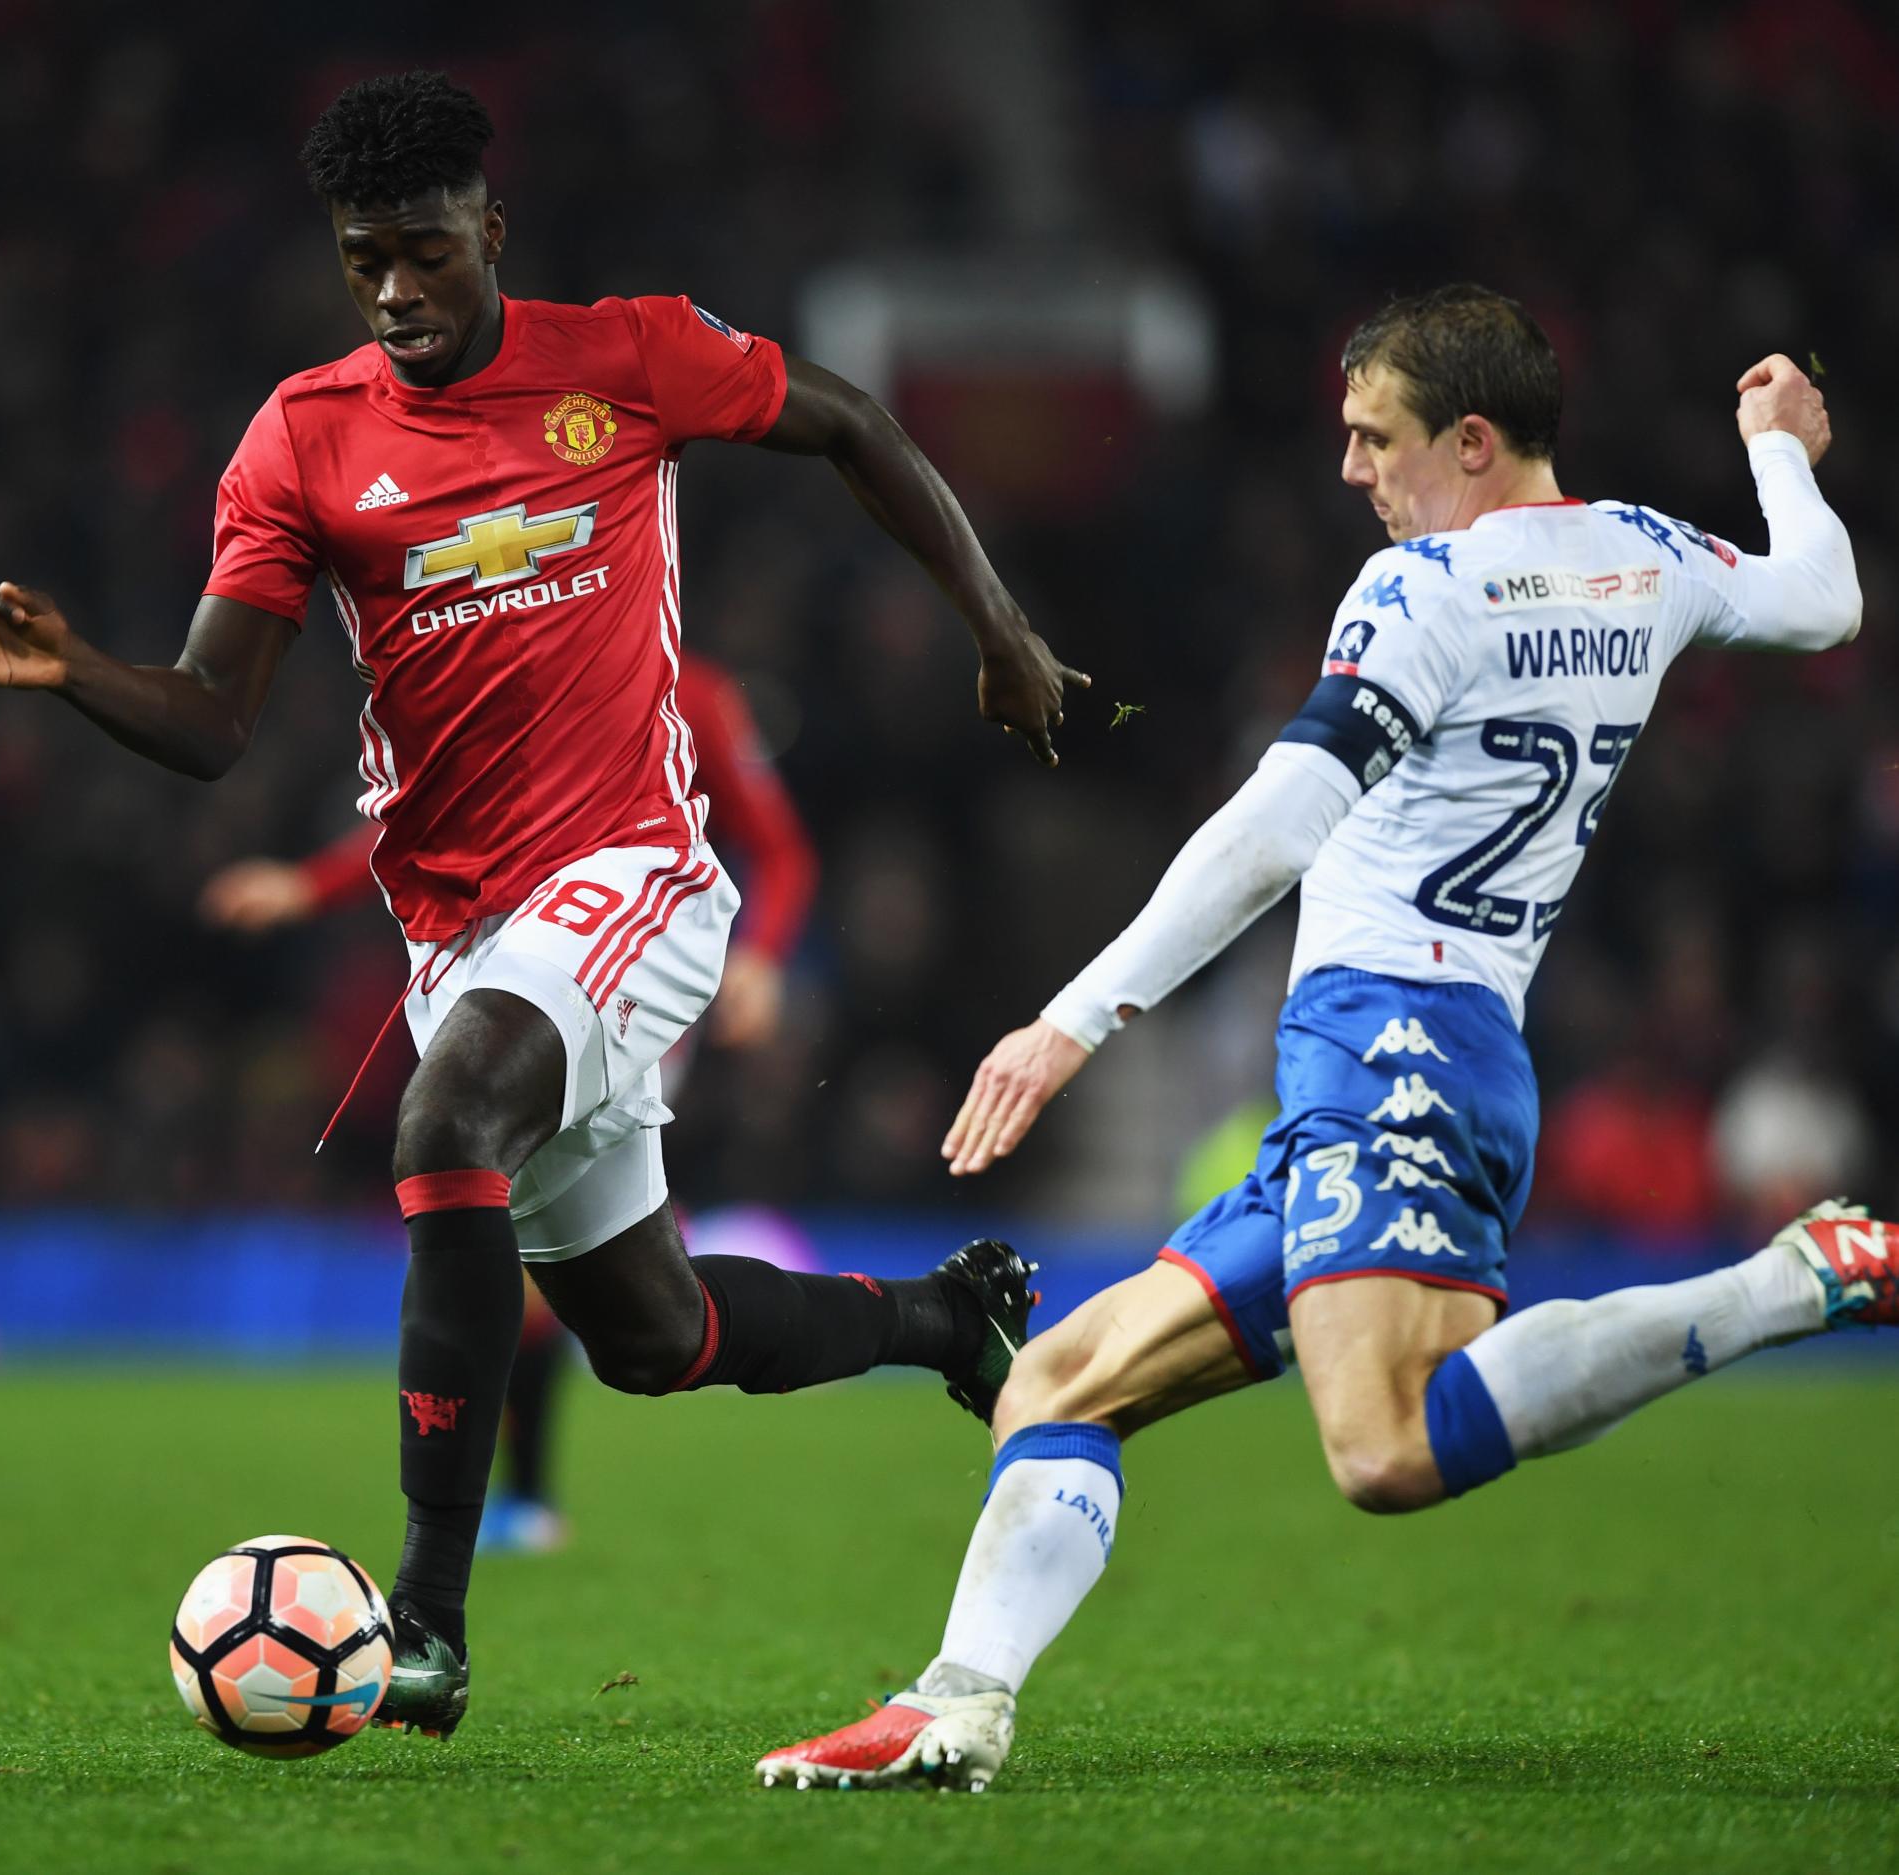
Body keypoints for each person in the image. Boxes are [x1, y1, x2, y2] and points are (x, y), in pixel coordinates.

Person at [0, 70, 1074, 1738]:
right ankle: (947, 1316)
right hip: (461, 929)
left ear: (491, 233)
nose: (397, 290)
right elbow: (212, 721)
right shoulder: (303, 437)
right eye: (364, 259)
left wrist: (1000, 627)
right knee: (650, 1335)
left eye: (426, 253)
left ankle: (426, 1625)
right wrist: (81, 672)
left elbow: (855, 426)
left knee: (443, 1122)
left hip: (637, 877)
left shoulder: (625, 358)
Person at [756, 288, 1887, 1793]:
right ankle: (958, 1699)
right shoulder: (1647, 555)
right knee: (1059, 1384)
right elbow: (1821, 601)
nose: (1355, 470)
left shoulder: (1425, 588)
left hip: (1398, 1046)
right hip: (1405, 1054)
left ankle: (1790, 1280)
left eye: (1379, 438)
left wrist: (1071, 1017)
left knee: (1388, 1449)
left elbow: (1284, 821)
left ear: (1471, 442)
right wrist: (1780, 451)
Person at [199, 647, 821, 1552]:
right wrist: (307, 886)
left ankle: (513, 1502)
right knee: (594, 1284)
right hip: (509, 973)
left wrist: (761, 956)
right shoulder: (533, 663)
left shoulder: (697, 693)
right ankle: (523, 1494)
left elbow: (779, 847)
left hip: (620, 979)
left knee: (523, 1238)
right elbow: (429, 820)